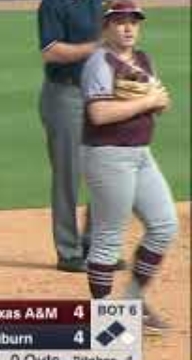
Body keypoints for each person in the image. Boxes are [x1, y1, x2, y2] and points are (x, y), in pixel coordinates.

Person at [80, 0, 177, 334]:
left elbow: (161, 100)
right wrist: (147, 101)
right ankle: (104, 320)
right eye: (120, 21)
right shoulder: (98, 62)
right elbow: (99, 115)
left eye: (133, 22)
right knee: (108, 238)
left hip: (140, 154)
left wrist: (156, 101)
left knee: (164, 225)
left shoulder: (143, 59)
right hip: (107, 155)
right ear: (106, 27)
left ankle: (132, 303)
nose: (128, 27)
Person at [37, 0, 113, 272]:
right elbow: (50, 50)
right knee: (68, 174)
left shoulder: (98, 3)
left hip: (99, 93)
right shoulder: (54, 4)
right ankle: (69, 251)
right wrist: (95, 47)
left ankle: (96, 246)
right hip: (65, 94)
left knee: (104, 168)